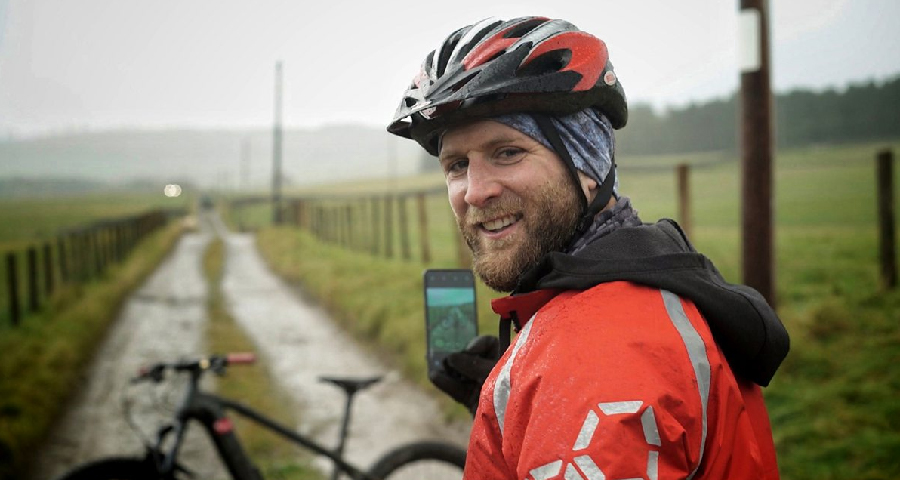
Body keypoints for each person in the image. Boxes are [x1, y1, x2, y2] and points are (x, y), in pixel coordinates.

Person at [387, 16, 790, 480]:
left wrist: (564, 390)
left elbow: (606, 391)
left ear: (587, 162)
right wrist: (526, 406)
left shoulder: (600, 353)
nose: (475, 192)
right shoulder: (638, 294)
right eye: (457, 165)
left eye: (508, 152)